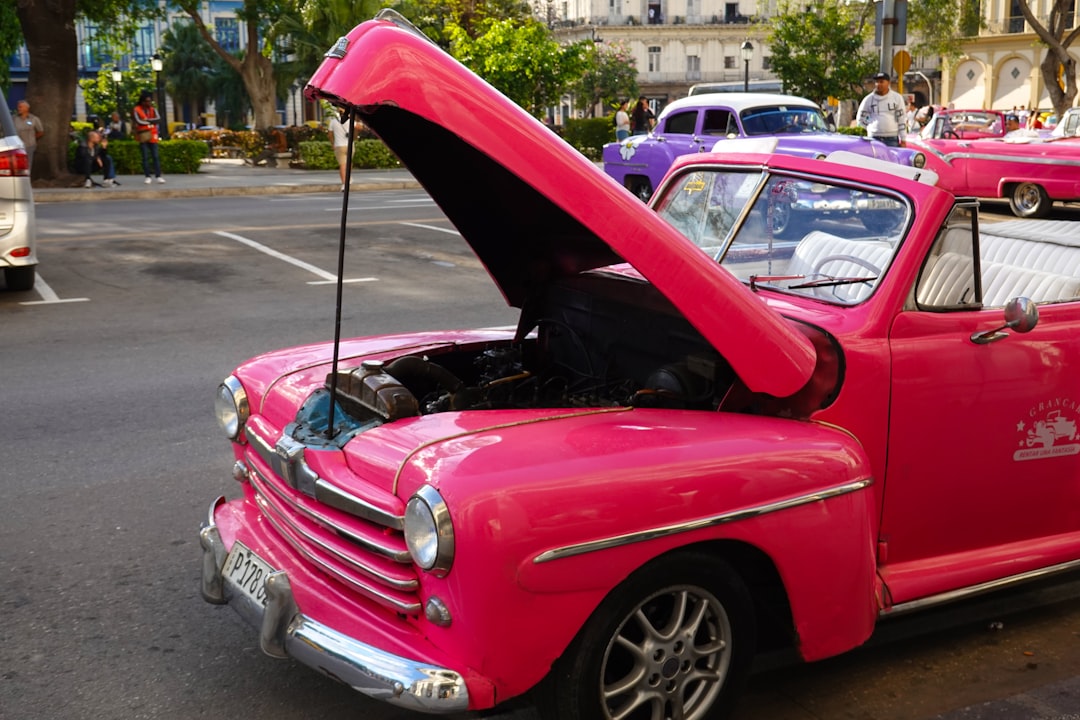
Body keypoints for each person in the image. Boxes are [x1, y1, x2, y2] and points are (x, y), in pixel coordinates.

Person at [857, 72, 906, 147]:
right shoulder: (868, 99)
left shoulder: (897, 98)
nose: (878, 84)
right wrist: (872, 124)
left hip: (892, 139)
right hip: (873, 138)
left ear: (888, 83)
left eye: (881, 82)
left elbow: (901, 119)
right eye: (876, 82)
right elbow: (861, 118)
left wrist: (903, 139)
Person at [132, 91, 165, 184]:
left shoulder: (153, 109)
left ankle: (158, 176)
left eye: (150, 101)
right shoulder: (136, 109)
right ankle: (147, 176)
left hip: (153, 135)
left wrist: (147, 120)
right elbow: (138, 121)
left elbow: (158, 119)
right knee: (145, 157)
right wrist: (151, 122)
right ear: (142, 102)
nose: (149, 103)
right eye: (147, 101)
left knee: (155, 156)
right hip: (143, 135)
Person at [14, 100, 44, 169]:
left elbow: (41, 132)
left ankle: (27, 179)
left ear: (26, 108)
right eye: (18, 107)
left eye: (20, 107)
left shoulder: (34, 119)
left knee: (27, 164)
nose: (18, 109)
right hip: (17, 146)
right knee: (17, 165)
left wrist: (32, 138)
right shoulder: (14, 118)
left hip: (29, 146)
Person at [328, 112, 351, 191]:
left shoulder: (333, 121)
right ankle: (348, 178)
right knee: (349, 163)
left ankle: (344, 183)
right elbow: (358, 127)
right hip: (350, 145)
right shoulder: (350, 120)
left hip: (339, 145)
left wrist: (332, 143)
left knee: (342, 165)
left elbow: (330, 134)